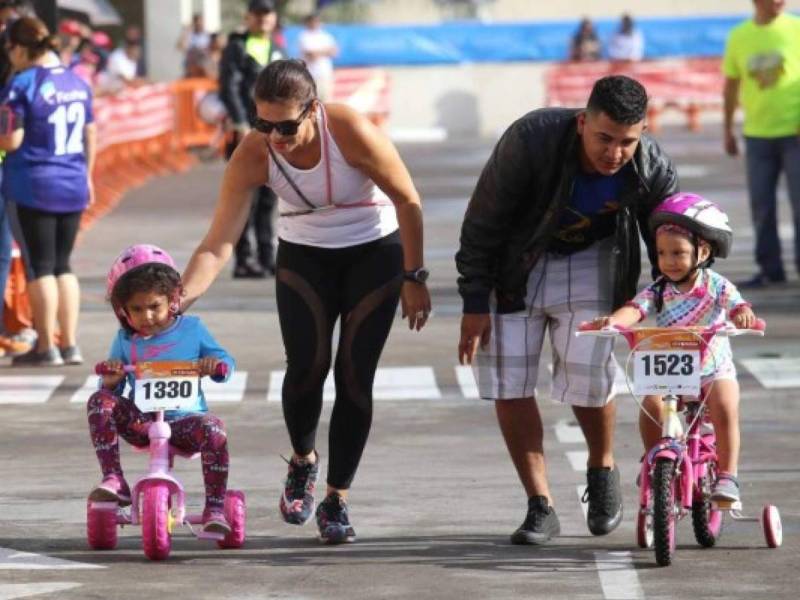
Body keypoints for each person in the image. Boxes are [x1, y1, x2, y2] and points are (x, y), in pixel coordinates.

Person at [181, 59, 431, 544]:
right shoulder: (254, 153)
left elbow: (408, 200)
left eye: (287, 125)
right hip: (304, 255)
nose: (275, 136)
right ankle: (303, 461)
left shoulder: (350, 130)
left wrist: (414, 276)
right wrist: (179, 299)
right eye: (263, 123)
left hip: (373, 252)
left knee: (355, 376)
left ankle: (337, 498)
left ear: (313, 109)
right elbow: (217, 243)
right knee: (306, 368)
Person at [456, 75, 678, 545]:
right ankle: (540, 505)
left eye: (627, 141)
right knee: (510, 380)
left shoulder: (648, 162)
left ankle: (602, 468)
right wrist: (475, 302)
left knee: (588, 376)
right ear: (582, 122)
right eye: (604, 138)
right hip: (515, 263)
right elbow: (482, 221)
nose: (615, 153)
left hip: (592, 259)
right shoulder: (530, 140)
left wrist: (683, 297)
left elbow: (671, 230)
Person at [592, 193, 756, 502]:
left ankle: (728, 476)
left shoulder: (716, 285)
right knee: (651, 403)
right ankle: (655, 458)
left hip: (712, 367)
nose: (669, 261)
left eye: (678, 253)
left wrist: (743, 315)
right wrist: (613, 321)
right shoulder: (659, 288)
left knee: (725, 405)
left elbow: (737, 306)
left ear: (703, 250)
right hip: (672, 366)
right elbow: (635, 309)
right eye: (662, 253)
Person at [87, 244, 235, 534]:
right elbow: (111, 389)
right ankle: (114, 479)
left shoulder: (192, 329)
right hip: (142, 422)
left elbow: (226, 361)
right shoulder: (125, 340)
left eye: (154, 306)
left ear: (172, 300)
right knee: (99, 400)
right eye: (137, 309)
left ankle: (215, 507)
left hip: (185, 421)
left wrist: (214, 366)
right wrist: (112, 381)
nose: (148, 316)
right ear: (124, 311)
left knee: (215, 429)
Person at [0, 16, 95, 366]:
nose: (8, 56)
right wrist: (89, 176)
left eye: (9, 48)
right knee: (62, 265)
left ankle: (45, 346)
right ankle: (69, 343)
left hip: (32, 184)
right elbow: (91, 131)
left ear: (22, 48)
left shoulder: (21, 84)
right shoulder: (76, 81)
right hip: (72, 180)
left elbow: (12, 138)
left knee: (38, 267)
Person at [722, 0, 800, 289]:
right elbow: (731, 84)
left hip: (795, 133)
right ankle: (770, 268)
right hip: (757, 135)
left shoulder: (796, 28)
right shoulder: (739, 36)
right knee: (762, 206)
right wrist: (728, 128)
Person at [218, 0, 284, 278]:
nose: (262, 19)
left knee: (269, 198)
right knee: (247, 199)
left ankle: (268, 257)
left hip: (272, 133)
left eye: (267, 14)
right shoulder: (237, 46)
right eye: (257, 14)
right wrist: (240, 123)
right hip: (246, 133)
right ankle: (244, 259)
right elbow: (228, 86)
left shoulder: (275, 47)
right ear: (248, 17)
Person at [299, 12, 338, 102]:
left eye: (316, 21)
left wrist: (319, 52)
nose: (315, 23)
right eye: (312, 21)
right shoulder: (304, 36)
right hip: (311, 75)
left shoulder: (326, 36)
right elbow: (311, 55)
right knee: (312, 102)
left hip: (325, 74)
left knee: (326, 102)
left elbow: (335, 52)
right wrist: (326, 51)